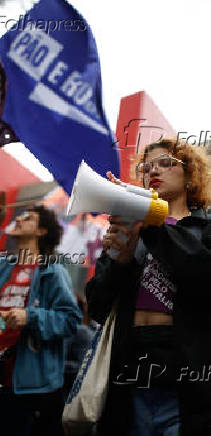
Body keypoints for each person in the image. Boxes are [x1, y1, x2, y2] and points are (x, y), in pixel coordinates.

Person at [86, 138, 211, 436]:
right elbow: (97, 307)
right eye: (146, 167)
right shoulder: (131, 231)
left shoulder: (206, 229)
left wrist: (153, 223)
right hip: (129, 380)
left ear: (191, 174)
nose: (154, 169)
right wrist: (121, 261)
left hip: (185, 385)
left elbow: (202, 276)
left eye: (166, 163)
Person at [0, 192, 82, 436]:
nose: (18, 219)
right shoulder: (5, 264)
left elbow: (71, 319)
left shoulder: (52, 271)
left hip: (21, 386)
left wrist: (30, 317)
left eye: (28, 218)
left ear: (41, 232)